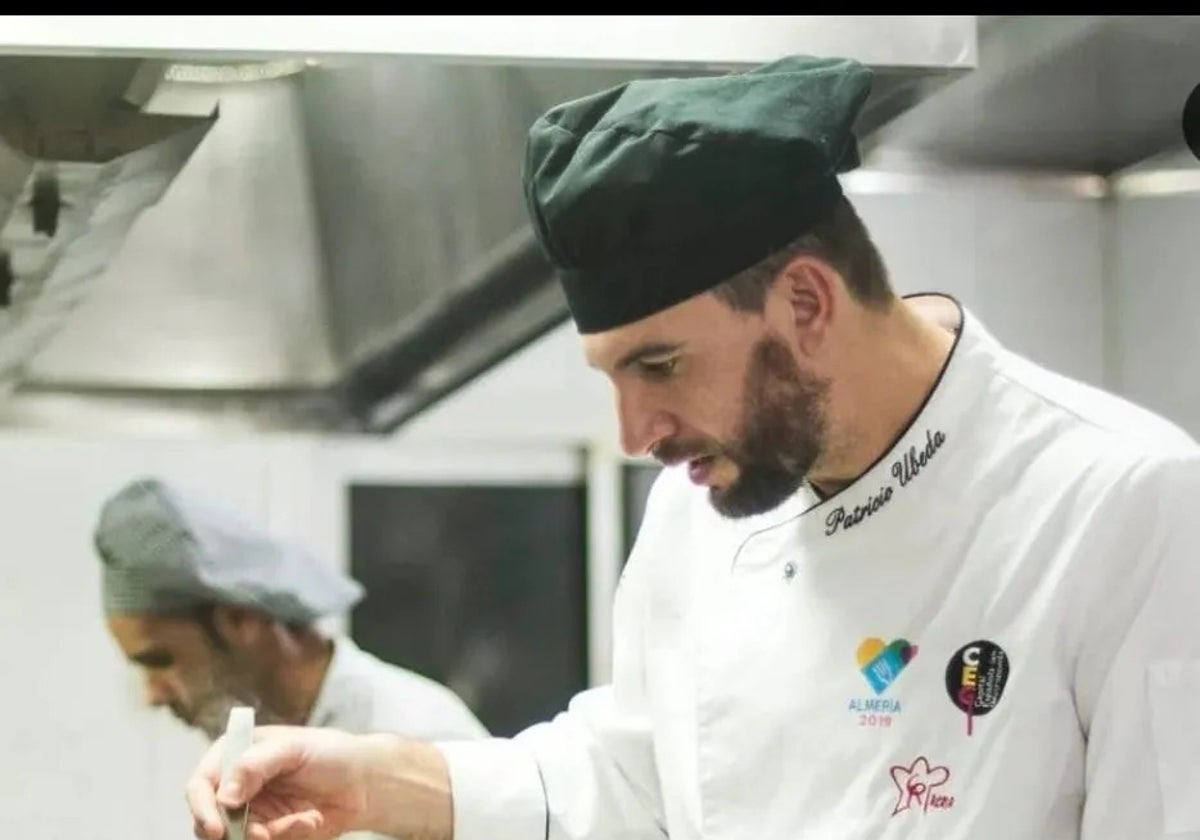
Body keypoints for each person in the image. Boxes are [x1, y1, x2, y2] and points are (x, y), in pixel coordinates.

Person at [183, 54, 1200, 840]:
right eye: (612, 378)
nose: (636, 437)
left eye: (658, 366)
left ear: (805, 300)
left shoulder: (1119, 505)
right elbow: (632, 777)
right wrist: (369, 780)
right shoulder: (705, 502)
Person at [94, 477, 489, 833]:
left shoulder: (424, 738)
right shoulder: (255, 752)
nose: (153, 694)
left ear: (238, 619)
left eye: (161, 660)